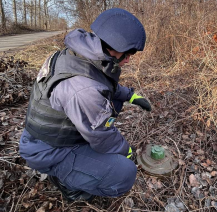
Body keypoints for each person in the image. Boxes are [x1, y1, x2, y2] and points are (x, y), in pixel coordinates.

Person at [19, 8, 151, 202]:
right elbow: (102, 136)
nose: (130, 59)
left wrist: (131, 96)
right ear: (113, 46)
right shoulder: (83, 89)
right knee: (125, 172)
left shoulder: (79, 54)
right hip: (48, 150)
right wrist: (127, 151)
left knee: (112, 103)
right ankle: (68, 184)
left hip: (45, 137)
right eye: (129, 53)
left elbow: (101, 82)